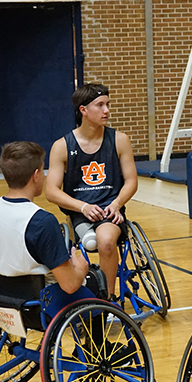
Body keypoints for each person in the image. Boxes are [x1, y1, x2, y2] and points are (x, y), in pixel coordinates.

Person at [45, 83, 138, 297]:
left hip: (110, 209)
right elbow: (51, 191)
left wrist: (117, 204)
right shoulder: (62, 146)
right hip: (80, 212)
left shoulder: (119, 140)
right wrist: (83, 206)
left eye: (108, 104)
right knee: (89, 241)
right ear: (83, 110)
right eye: (100, 105)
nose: (107, 110)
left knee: (105, 241)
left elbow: (131, 181)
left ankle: (108, 301)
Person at [0, 141, 89, 301]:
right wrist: (81, 269)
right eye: (43, 171)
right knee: (95, 280)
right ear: (36, 175)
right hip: (38, 305)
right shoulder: (42, 221)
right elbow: (70, 285)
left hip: (1, 298)